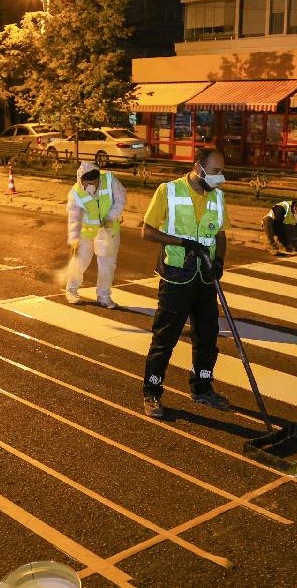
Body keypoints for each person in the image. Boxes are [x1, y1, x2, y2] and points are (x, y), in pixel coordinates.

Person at [139, 148, 231, 418]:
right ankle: (152, 391)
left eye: (221, 171)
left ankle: (202, 387)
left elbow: (221, 234)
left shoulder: (218, 197)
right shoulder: (168, 191)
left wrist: (219, 262)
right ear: (198, 168)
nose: (219, 177)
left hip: (205, 278)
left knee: (207, 337)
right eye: (215, 172)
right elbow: (148, 232)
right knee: (165, 338)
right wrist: (182, 243)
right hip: (177, 276)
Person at [65, 161, 126, 308]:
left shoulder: (110, 180)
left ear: (98, 179)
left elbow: (120, 199)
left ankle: (104, 296)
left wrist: (111, 218)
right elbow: (73, 217)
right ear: (81, 180)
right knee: (79, 262)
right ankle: (71, 290)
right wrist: (74, 240)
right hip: (86, 233)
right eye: (87, 183)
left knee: (107, 265)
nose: (90, 187)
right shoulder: (76, 192)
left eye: (93, 183)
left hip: (108, 232)